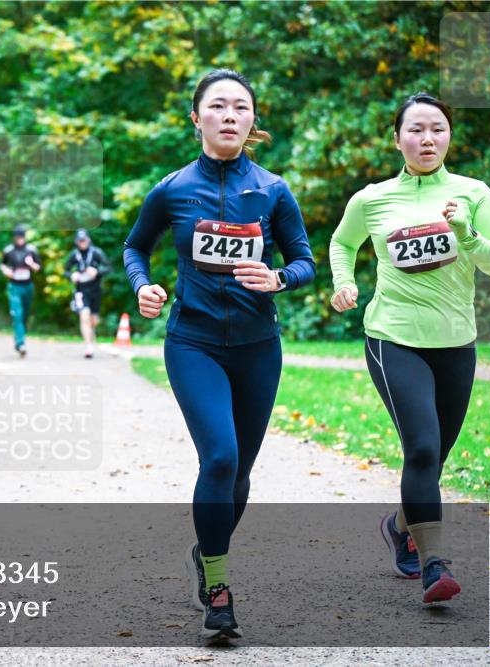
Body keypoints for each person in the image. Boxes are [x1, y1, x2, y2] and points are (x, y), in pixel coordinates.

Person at [123, 69, 315, 640]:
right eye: (218, 106)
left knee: (240, 476)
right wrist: (143, 287)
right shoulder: (174, 189)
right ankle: (219, 589)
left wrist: (278, 278)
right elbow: (136, 246)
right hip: (193, 343)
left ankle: (206, 552)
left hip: (259, 348)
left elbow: (303, 259)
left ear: (253, 121)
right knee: (222, 459)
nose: (230, 115)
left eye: (241, 107)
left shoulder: (274, 189)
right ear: (196, 118)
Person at [329, 92, 490, 604]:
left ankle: (398, 524)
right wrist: (345, 281)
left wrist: (466, 233)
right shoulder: (373, 198)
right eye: (415, 129)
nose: (427, 138)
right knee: (424, 447)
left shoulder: (474, 193)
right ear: (397, 138)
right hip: (393, 337)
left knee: (435, 455)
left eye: (437, 129)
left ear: (450, 135)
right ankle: (435, 565)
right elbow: (343, 243)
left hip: (456, 341)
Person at [65, 229, 111, 359]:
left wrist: (97, 271)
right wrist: (71, 275)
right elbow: (66, 271)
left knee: (94, 320)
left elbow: (108, 267)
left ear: (88, 240)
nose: (82, 243)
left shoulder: (96, 252)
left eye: (84, 240)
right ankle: (88, 347)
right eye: (80, 240)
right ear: (76, 242)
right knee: (84, 317)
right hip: (81, 290)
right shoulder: (74, 255)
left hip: (95, 290)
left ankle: (91, 335)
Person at [0, 225, 41, 356]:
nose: (20, 239)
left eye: (22, 237)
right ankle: (20, 343)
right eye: (18, 237)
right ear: (14, 237)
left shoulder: (32, 250)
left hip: (28, 286)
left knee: (24, 315)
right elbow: (2, 264)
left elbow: (38, 268)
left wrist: (31, 264)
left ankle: (19, 336)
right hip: (14, 286)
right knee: (17, 314)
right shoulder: (8, 251)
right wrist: (6, 271)